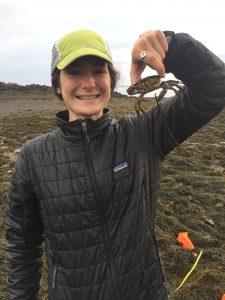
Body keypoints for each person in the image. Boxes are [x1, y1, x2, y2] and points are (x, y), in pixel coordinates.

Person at [4, 28, 225, 300]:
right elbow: (22, 245)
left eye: (99, 71)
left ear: (111, 79)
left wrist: (172, 46)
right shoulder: (33, 156)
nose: (89, 83)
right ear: (58, 85)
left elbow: (215, 86)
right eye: (74, 72)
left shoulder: (144, 133)